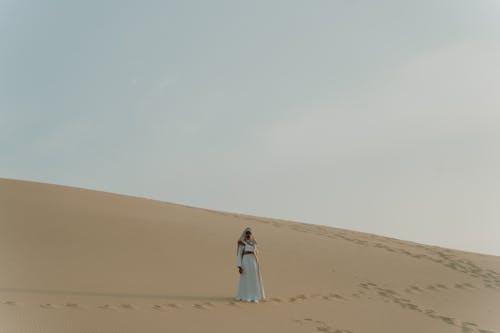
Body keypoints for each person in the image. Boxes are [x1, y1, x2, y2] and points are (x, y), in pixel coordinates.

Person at [235, 227, 266, 302]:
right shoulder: (242, 242)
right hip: (245, 260)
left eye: (249, 233)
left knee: (253, 277)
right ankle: (246, 296)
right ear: (245, 234)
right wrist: (239, 266)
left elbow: (257, 251)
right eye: (247, 233)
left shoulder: (254, 242)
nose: (248, 234)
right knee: (246, 277)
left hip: (253, 261)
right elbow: (239, 254)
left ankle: (255, 296)